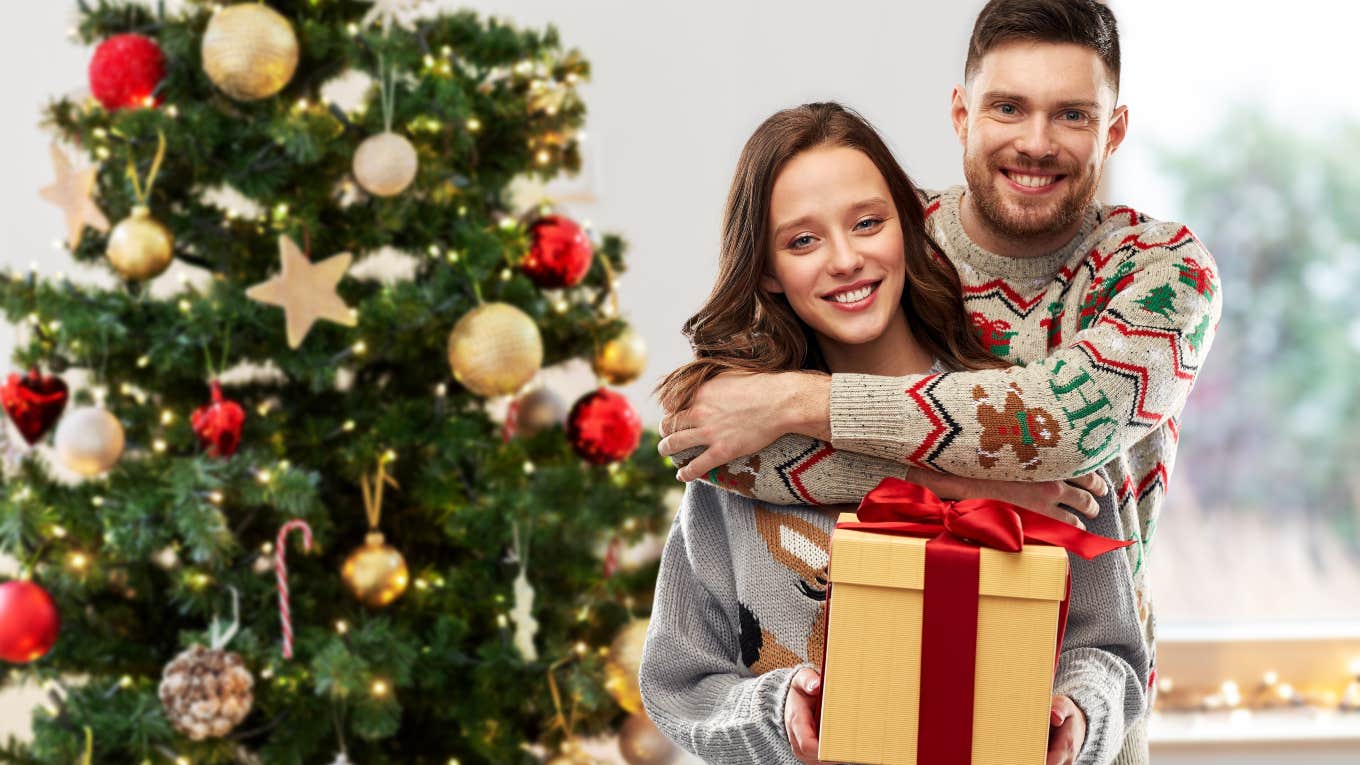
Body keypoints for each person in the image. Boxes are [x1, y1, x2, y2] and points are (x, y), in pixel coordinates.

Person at [657, 3, 1222, 760]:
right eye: (1008, 106)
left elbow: (1055, 433)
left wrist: (799, 404)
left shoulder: (1158, 272)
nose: (1035, 141)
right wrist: (965, 486)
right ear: (961, 113)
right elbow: (716, 429)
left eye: (1073, 114)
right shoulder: (890, 234)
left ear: (1113, 130)